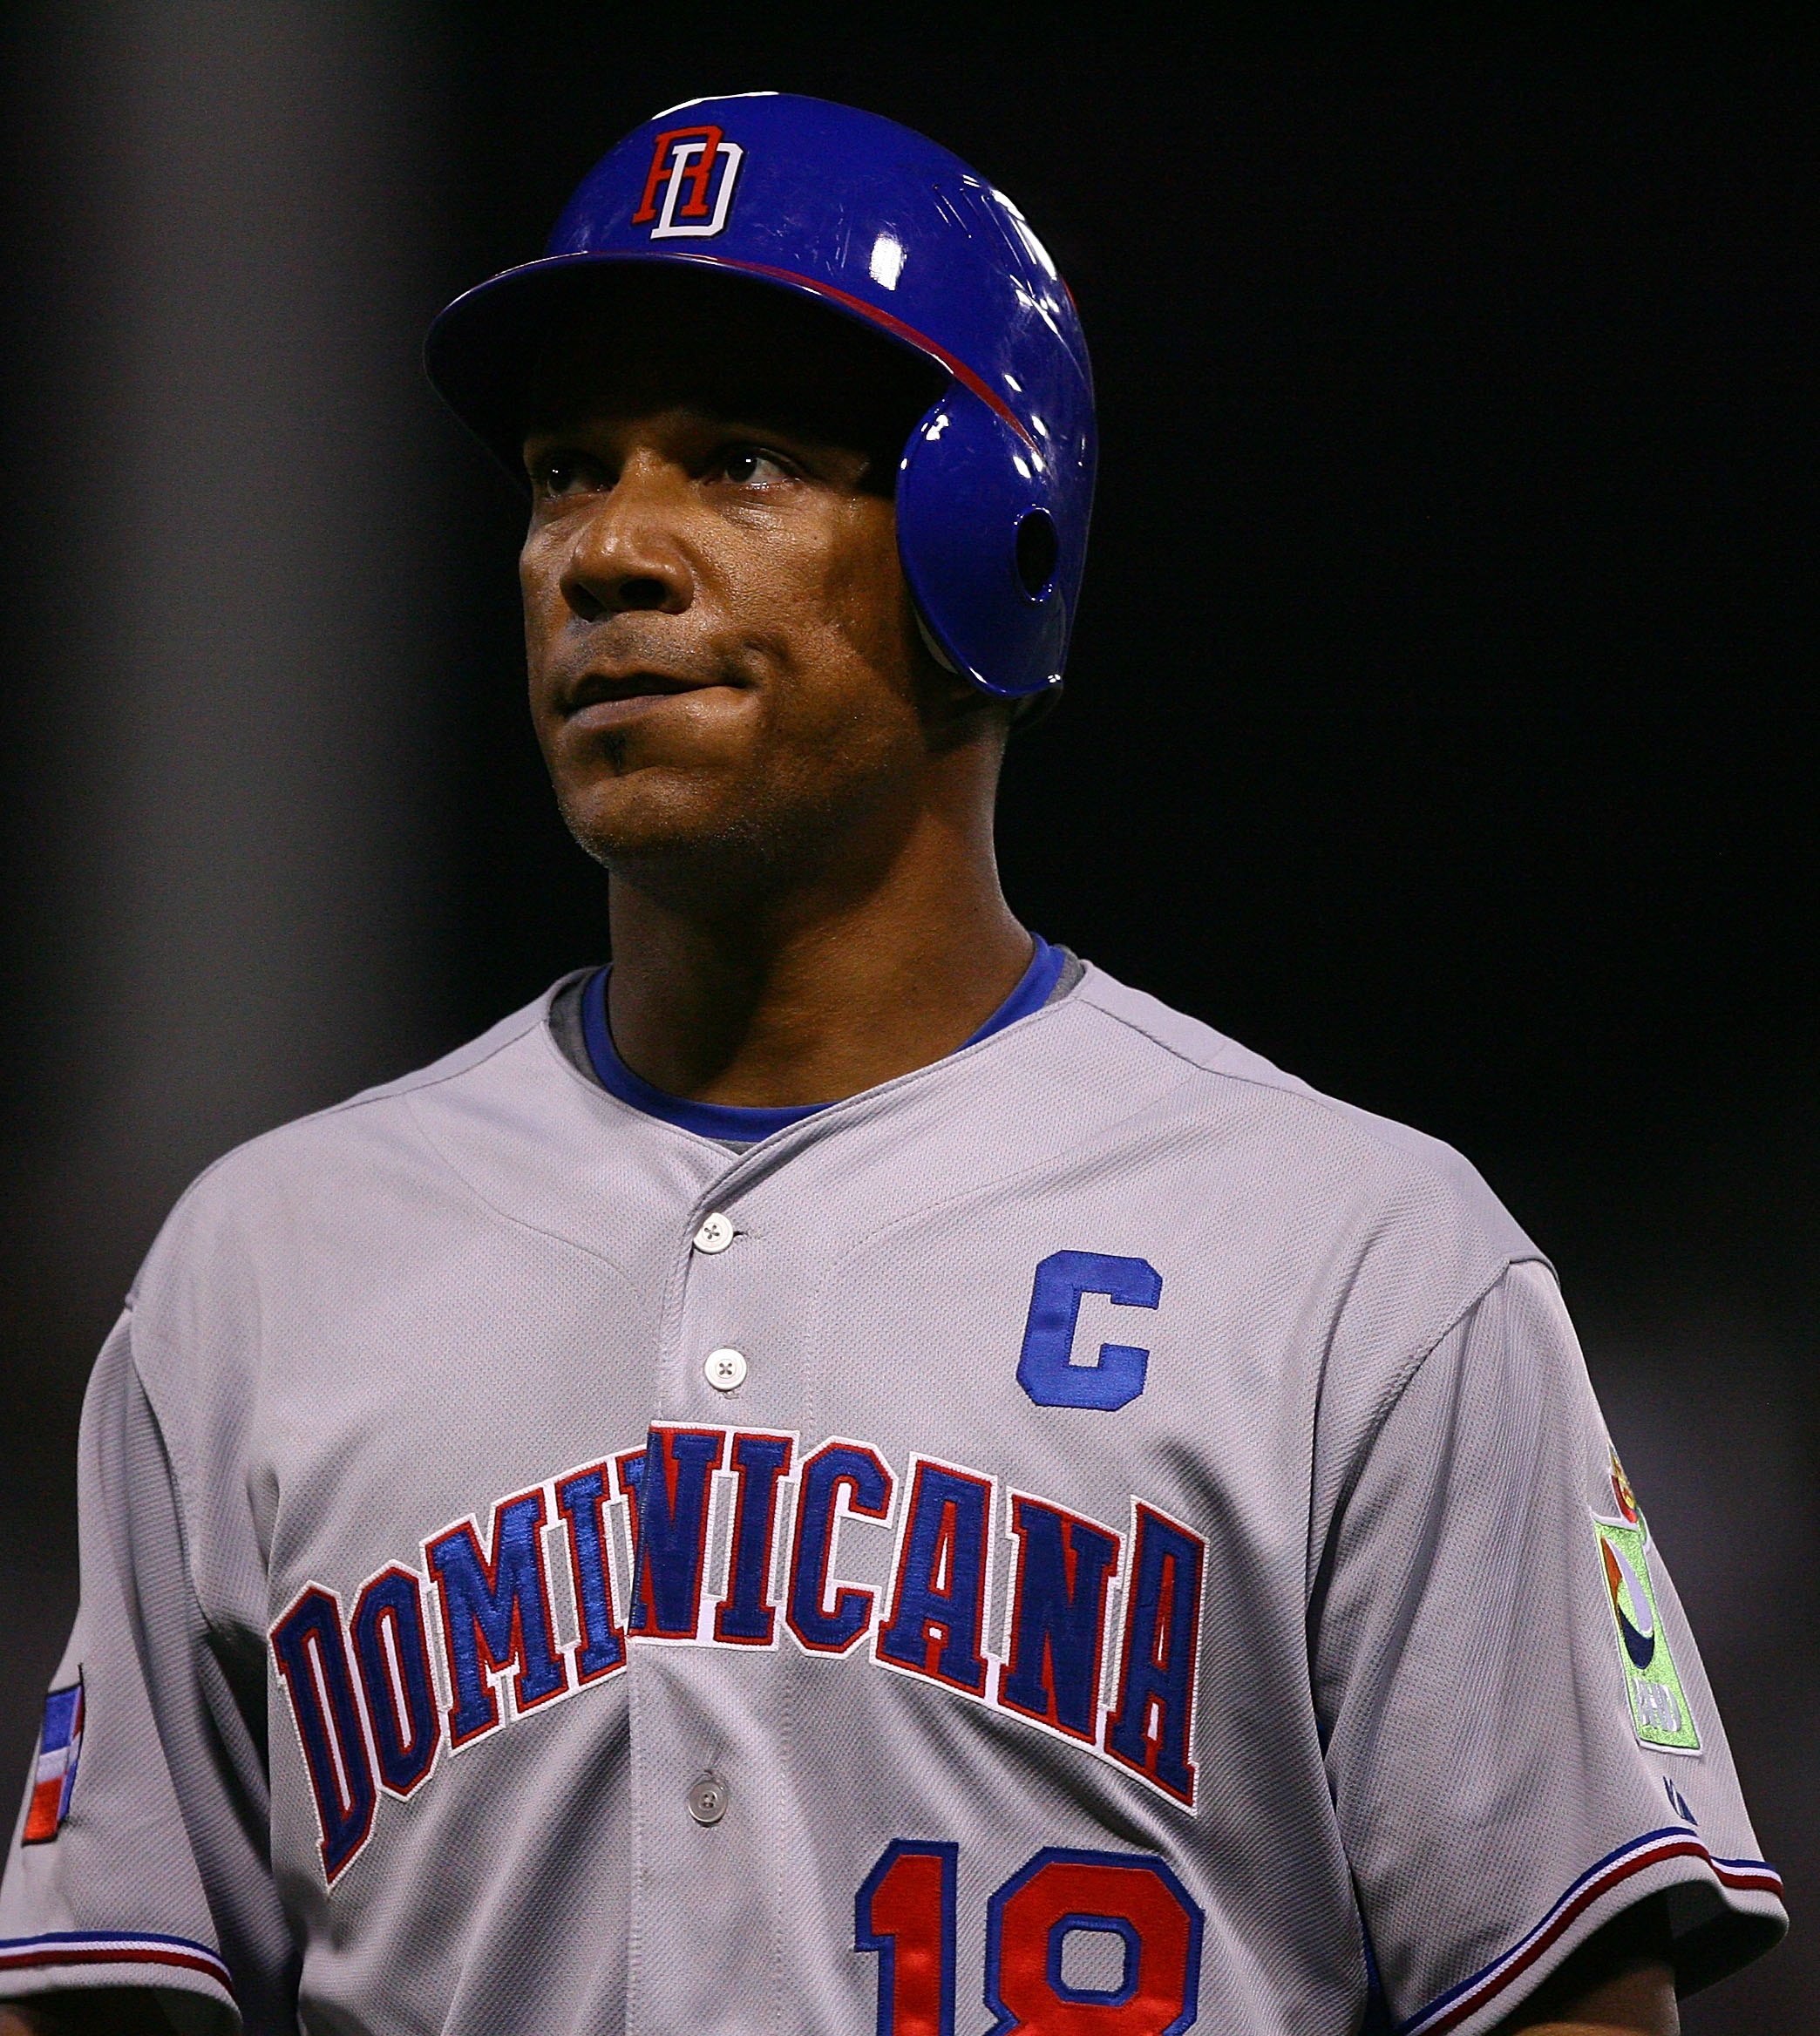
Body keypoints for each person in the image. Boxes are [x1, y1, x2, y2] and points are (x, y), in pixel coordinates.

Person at [0, 92, 1784, 2036]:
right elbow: (101, 1998)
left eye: (740, 460)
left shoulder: (1363, 1266)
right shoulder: (263, 1266)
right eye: (566, 470)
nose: (609, 550)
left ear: (988, 538)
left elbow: (1570, 2006)